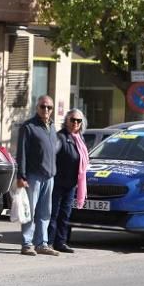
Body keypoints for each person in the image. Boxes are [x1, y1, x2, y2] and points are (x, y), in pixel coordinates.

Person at [16, 95, 59, 256]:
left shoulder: (53, 126)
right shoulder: (28, 126)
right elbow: (22, 153)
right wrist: (21, 176)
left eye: (49, 107)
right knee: (30, 211)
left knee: (45, 212)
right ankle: (27, 244)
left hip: (49, 176)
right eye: (43, 106)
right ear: (37, 107)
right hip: (33, 176)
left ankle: (42, 243)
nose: (46, 110)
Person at [48, 109, 89, 254]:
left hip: (71, 184)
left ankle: (61, 242)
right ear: (66, 120)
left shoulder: (80, 139)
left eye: (78, 121)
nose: (75, 123)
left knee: (65, 215)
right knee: (54, 214)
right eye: (72, 120)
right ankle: (49, 242)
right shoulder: (60, 137)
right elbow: (51, 157)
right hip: (58, 182)